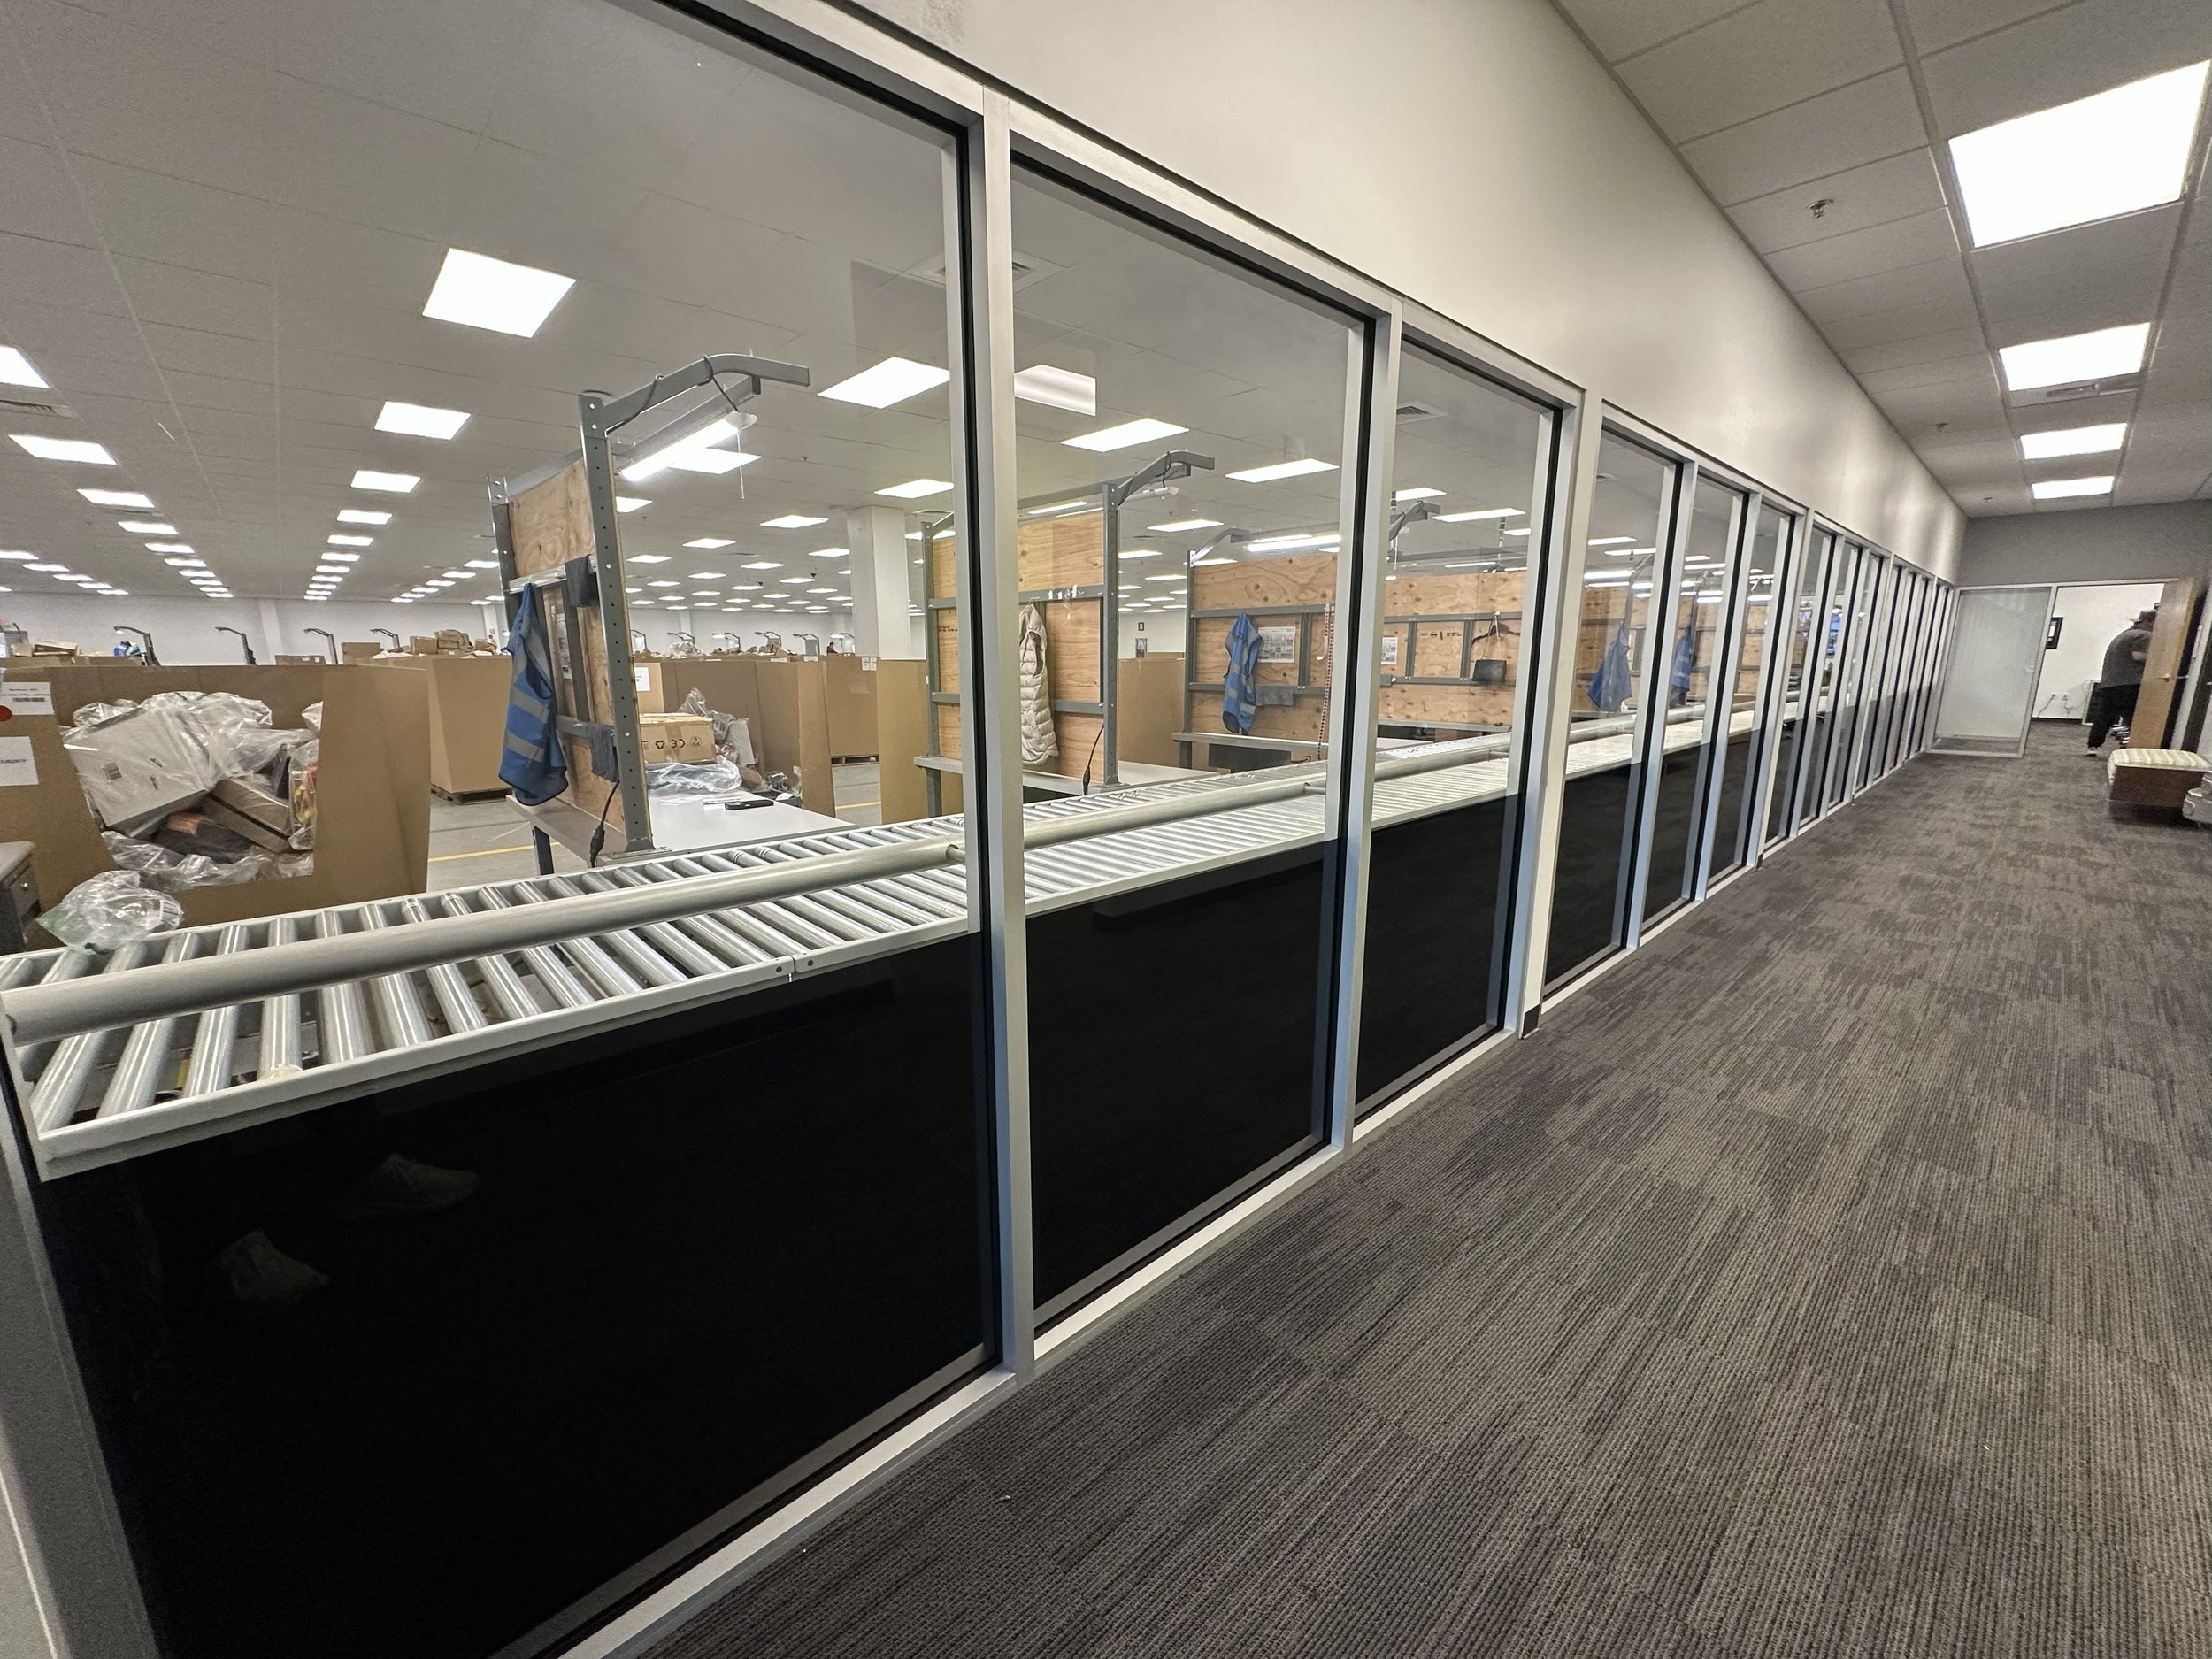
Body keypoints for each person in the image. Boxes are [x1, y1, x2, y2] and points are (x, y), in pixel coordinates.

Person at [2085, 608, 2156, 752]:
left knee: (2104, 715)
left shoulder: (2124, 635)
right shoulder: (2144, 635)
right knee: (2134, 717)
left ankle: (2093, 745)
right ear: (2150, 622)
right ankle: (2134, 746)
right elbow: (2139, 656)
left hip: (2110, 681)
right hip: (2130, 682)